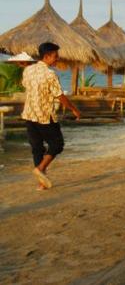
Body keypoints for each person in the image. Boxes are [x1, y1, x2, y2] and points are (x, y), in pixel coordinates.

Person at [22, 42, 81, 190]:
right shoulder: (50, 74)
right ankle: (40, 168)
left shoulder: (28, 70)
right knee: (57, 144)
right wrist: (74, 109)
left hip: (29, 114)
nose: (57, 59)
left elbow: (25, 86)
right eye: (55, 56)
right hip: (44, 115)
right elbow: (59, 95)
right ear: (47, 56)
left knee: (37, 149)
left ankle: (41, 183)